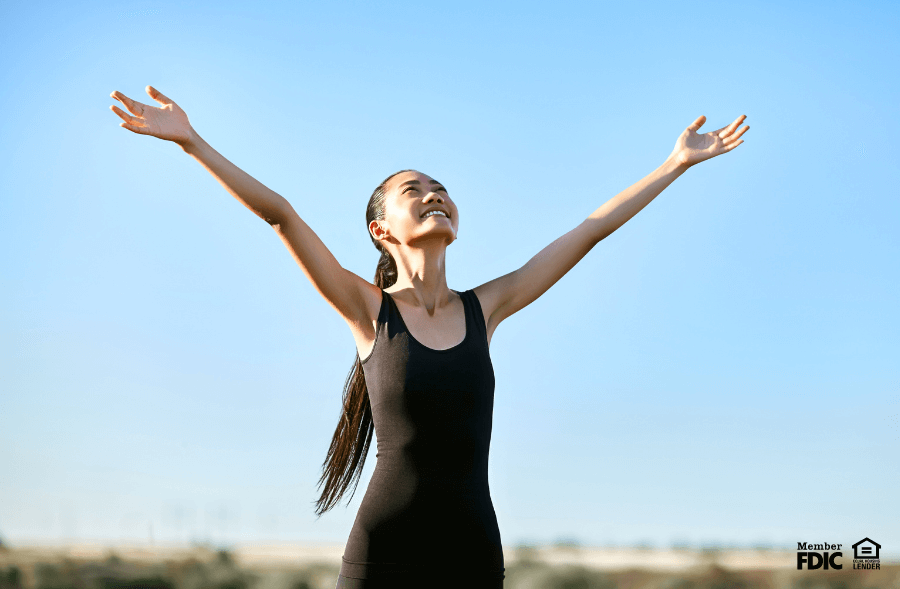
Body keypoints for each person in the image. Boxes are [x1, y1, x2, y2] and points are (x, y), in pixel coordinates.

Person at [109, 85, 749, 588]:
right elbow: (281, 215)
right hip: (382, 555)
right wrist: (191, 141)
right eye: (413, 190)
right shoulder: (368, 311)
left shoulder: (487, 308)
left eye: (441, 188)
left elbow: (588, 231)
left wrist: (675, 164)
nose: (434, 194)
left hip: (473, 551)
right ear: (381, 230)